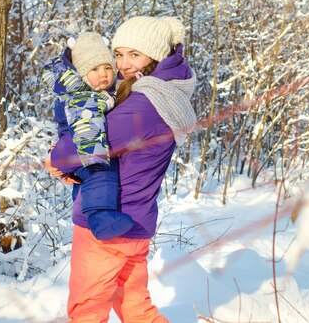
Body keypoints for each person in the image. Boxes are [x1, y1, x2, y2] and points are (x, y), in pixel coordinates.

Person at [46, 16, 197, 323]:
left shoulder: (143, 105)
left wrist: (53, 158)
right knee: (136, 309)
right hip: (136, 224)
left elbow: (80, 145)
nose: (124, 64)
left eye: (134, 55)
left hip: (106, 225)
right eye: (118, 54)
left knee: (87, 310)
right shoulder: (163, 97)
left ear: (155, 57)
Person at [42, 31, 134, 240]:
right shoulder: (82, 97)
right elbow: (86, 129)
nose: (103, 74)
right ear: (82, 74)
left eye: (108, 68)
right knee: (100, 174)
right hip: (83, 150)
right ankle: (99, 219)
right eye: (95, 69)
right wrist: (93, 159)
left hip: (84, 148)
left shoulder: (104, 92)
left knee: (95, 182)